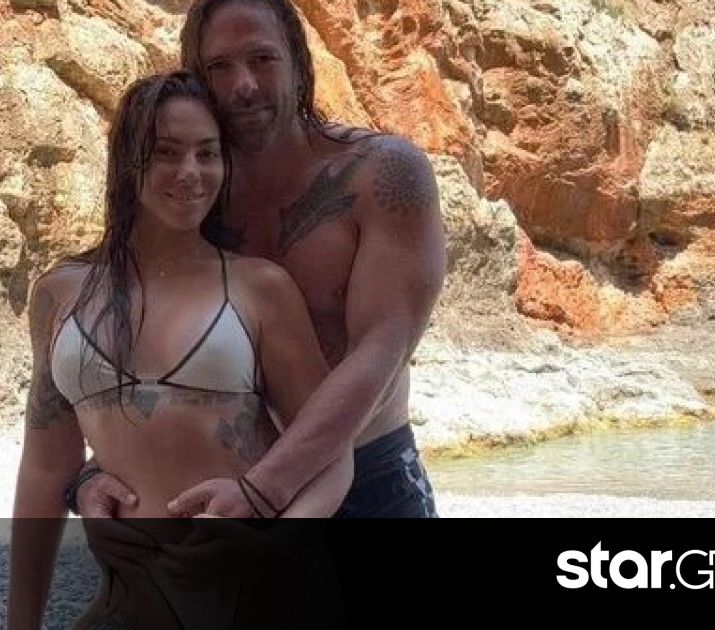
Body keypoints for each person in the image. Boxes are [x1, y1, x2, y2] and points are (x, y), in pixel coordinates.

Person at [72, 0, 447, 521]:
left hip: (365, 475)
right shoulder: (193, 189)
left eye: (262, 59)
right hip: (223, 482)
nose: (243, 85)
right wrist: (93, 472)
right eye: (219, 67)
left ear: (298, 60)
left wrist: (266, 488)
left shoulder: (381, 175)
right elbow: (138, 335)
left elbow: (383, 347)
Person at [7, 70, 353, 630]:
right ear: (127, 161)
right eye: (166, 152)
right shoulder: (59, 294)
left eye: (207, 153)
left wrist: (273, 540)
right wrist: (20, 623)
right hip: (135, 600)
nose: (190, 172)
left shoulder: (259, 288)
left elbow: (331, 453)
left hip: (270, 590)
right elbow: (46, 467)